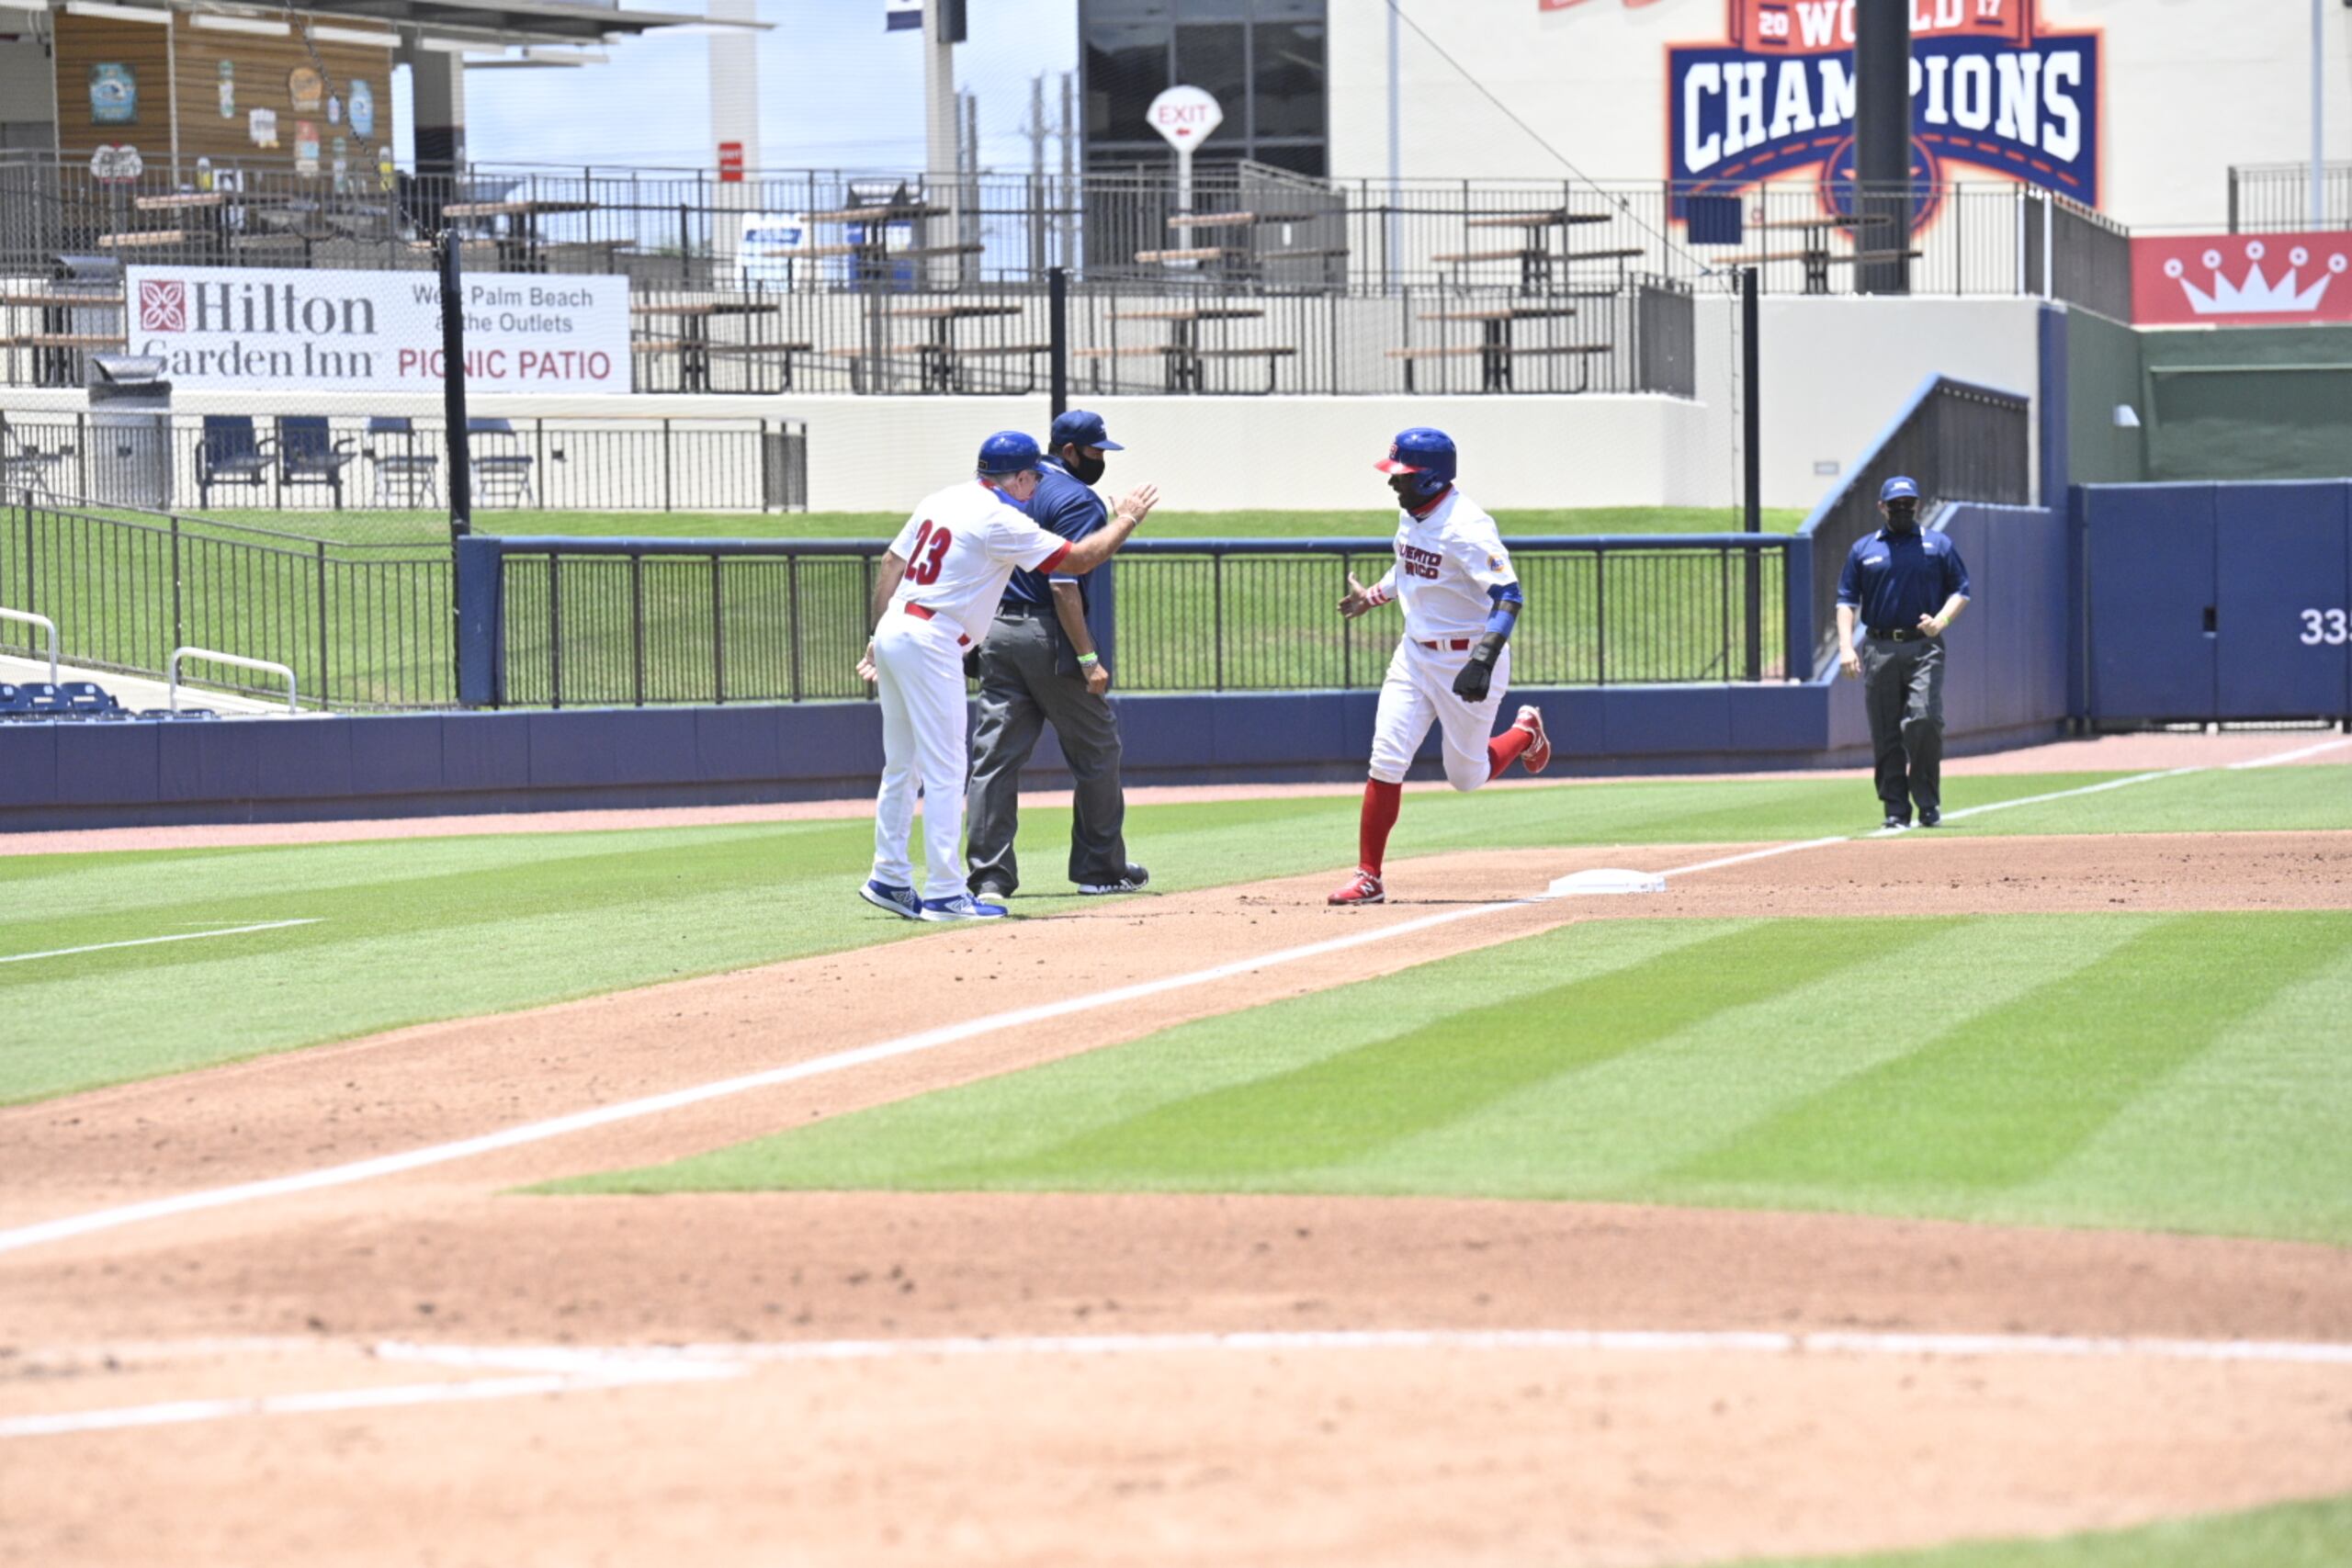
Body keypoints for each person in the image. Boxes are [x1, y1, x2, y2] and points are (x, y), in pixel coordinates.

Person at [859, 431, 1159, 921]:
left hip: (897, 627)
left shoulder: (945, 497)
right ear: (1018, 477)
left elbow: (893, 562)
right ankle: (944, 891)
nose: (1036, 485)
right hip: (932, 638)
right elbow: (1079, 560)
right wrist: (1128, 516)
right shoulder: (1000, 517)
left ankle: (889, 876)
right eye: (1033, 477)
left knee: (903, 764)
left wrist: (877, 632)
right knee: (946, 768)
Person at [1329, 427, 1552, 907]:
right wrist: (1373, 597)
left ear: (1431, 478)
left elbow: (1509, 595)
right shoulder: (1413, 513)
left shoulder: (1467, 526)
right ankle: (1369, 875)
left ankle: (1526, 730)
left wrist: (1483, 659)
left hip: (1466, 657)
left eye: (1403, 476)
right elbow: (1410, 567)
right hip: (1413, 656)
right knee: (1386, 758)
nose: (1394, 484)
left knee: (1466, 776)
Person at [965, 410, 1149, 902]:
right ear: (1069, 451)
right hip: (1047, 635)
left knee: (994, 760)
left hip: (995, 631)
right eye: (1095, 451)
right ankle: (1099, 868)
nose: (1100, 460)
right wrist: (1088, 659)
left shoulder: (1007, 489)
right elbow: (1065, 584)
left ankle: (989, 878)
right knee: (1097, 749)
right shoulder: (1075, 498)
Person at [1836, 475, 1973, 829]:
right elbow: (1846, 601)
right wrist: (1846, 646)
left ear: (1917, 505)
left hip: (1923, 646)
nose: (1901, 510)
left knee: (1924, 718)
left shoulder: (1937, 545)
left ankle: (1927, 801)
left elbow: (1961, 590)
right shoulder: (1863, 550)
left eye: (1907, 504)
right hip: (1879, 648)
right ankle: (1895, 810)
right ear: (1881, 507)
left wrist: (1940, 621)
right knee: (1885, 732)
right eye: (1894, 505)